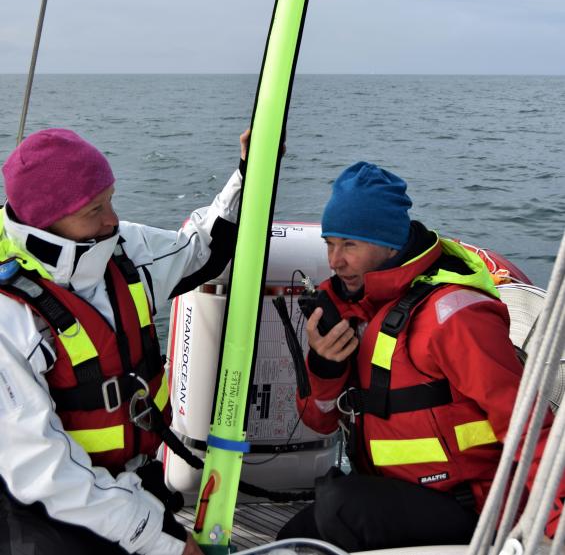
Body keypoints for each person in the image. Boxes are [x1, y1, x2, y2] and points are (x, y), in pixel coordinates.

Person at [279, 161, 564, 550]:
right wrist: (324, 365)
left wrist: (554, 522)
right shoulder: (353, 309)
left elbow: (529, 424)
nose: (334, 261)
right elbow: (320, 421)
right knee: (291, 539)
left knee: (340, 509)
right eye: (329, 243)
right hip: (396, 492)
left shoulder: (454, 316)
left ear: (389, 243)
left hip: (473, 507)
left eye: (349, 245)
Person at [0, 127, 249, 555]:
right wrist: (161, 539)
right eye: (95, 208)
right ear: (45, 221)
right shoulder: (10, 318)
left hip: (134, 485)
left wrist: (250, 171)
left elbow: (204, 250)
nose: (111, 219)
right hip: (43, 512)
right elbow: (43, 471)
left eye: (111, 199)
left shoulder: (121, 247)